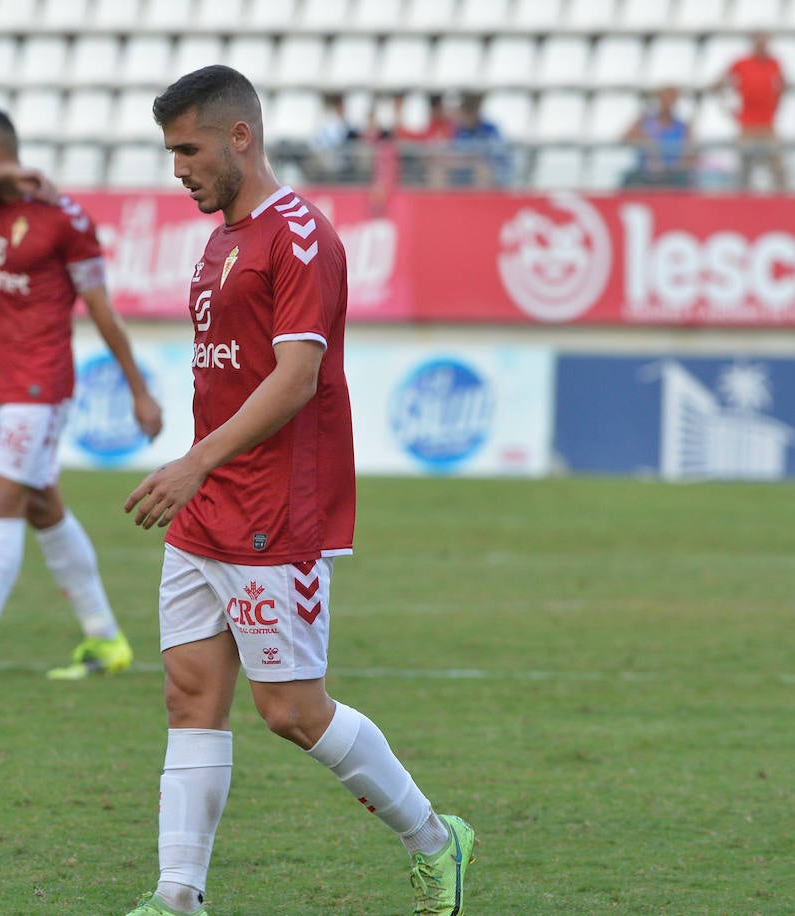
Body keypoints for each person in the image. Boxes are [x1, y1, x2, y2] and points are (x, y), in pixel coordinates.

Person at [121, 65, 474, 916]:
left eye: (189, 149)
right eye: (170, 152)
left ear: (241, 136)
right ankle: (177, 894)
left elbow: (296, 380)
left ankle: (436, 839)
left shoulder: (301, 235)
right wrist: (199, 470)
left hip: (272, 511)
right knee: (191, 694)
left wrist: (195, 460)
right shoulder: (218, 240)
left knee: (290, 711)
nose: (179, 168)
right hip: (205, 508)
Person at [0, 107, 164, 683]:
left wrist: (139, 391)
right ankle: (105, 639)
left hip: (40, 384)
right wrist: (7, 174)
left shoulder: (65, 219)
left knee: (2, 498)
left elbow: (101, 308)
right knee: (42, 505)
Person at [711, 31, 787, 191]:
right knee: (745, 168)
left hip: (768, 125)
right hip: (747, 125)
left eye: (764, 42)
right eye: (759, 42)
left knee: (778, 168)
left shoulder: (775, 63)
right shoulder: (741, 63)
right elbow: (717, 85)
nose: (762, 46)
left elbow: (782, 86)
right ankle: (743, 200)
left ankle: (782, 200)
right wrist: (729, 109)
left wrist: (776, 106)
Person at [623, 86, 691, 189]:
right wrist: (647, 141)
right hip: (645, 171)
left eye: (671, 98)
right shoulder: (645, 121)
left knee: (683, 180)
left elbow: (690, 154)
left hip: (671, 173)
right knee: (630, 179)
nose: (668, 102)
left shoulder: (682, 127)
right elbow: (626, 137)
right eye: (665, 97)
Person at [446, 91, 509, 189]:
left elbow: (497, 153)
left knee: (482, 167)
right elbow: (454, 151)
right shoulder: (458, 129)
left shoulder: (490, 128)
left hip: (489, 168)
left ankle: (482, 202)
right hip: (464, 167)